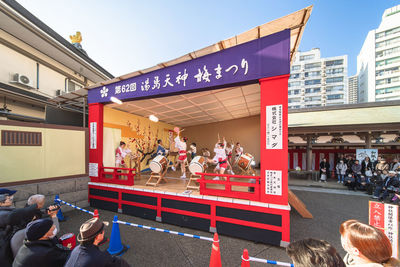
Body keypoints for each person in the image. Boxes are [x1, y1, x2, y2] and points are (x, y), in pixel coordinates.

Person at [0, 189, 43, 267]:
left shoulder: (7, 210)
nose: (11, 198)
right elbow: (17, 215)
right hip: (5, 249)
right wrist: (35, 206)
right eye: (9, 198)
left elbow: (21, 214)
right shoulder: (4, 214)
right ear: (1, 202)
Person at [65, 218, 130, 267]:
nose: (104, 232)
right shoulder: (100, 258)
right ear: (98, 236)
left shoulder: (75, 250)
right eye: (103, 231)